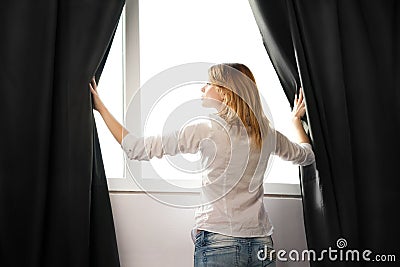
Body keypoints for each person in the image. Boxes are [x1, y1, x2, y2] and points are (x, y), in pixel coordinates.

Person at [90, 63, 315, 267]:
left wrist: (101, 108)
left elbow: (136, 148)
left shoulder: (205, 129)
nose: (202, 89)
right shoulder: (268, 136)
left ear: (225, 94)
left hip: (218, 241)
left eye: (209, 84)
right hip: (261, 243)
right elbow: (307, 156)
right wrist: (296, 122)